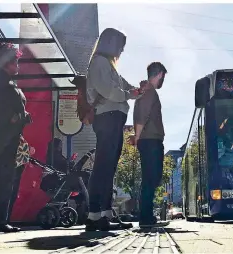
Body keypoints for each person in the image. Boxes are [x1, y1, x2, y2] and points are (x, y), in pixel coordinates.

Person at [85, 28, 144, 231]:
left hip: (113, 118)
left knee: (108, 166)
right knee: (103, 166)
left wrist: (135, 92)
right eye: (121, 46)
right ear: (112, 44)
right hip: (107, 117)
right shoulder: (100, 62)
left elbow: (125, 89)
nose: (122, 50)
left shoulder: (108, 65)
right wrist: (129, 94)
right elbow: (109, 91)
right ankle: (94, 215)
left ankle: (105, 213)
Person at [0, 43, 31, 233]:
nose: (18, 65)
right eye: (15, 61)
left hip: (1, 139)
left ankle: (0, 221)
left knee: (3, 180)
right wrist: (21, 117)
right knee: (2, 179)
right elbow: (1, 112)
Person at [132, 62, 167, 225]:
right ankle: (145, 217)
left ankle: (146, 215)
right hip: (150, 140)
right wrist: (137, 136)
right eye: (163, 77)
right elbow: (142, 115)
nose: (163, 81)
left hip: (149, 140)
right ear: (159, 74)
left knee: (152, 177)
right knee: (151, 177)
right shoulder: (149, 91)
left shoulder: (146, 91)